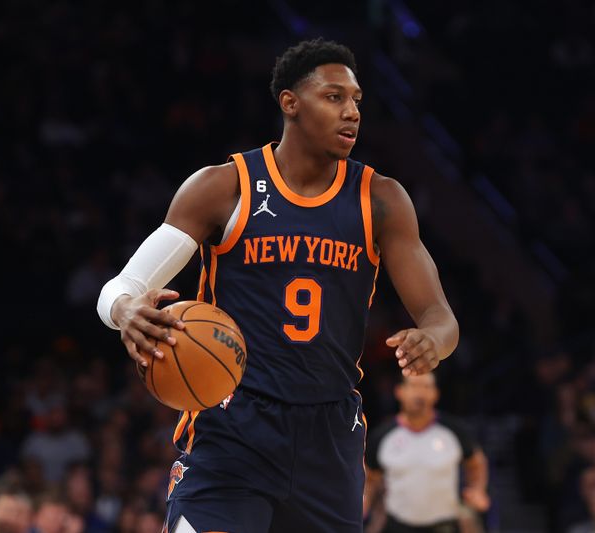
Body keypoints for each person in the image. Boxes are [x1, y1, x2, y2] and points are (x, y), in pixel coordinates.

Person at [96, 38, 459, 533]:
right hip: (235, 424)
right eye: (334, 97)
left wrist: (432, 340)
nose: (351, 112)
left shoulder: (382, 200)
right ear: (290, 102)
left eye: (356, 100)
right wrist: (126, 311)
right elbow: (123, 285)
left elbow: (441, 317)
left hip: (328, 434)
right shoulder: (224, 187)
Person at [363, 373, 488, 533]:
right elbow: (370, 478)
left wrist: (477, 490)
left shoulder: (454, 431)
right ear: (399, 391)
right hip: (397, 524)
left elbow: (476, 462)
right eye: (414, 386)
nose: (420, 393)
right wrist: (364, 505)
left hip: (444, 525)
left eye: (426, 387)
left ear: (436, 394)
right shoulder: (382, 436)